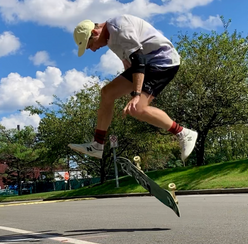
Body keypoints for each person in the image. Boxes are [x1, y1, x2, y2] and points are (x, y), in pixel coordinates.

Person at [69, 14, 198, 161]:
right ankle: (98, 144)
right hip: (146, 63)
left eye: (89, 45)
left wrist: (136, 95)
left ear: (94, 32)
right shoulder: (111, 39)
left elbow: (138, 61)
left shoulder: (119, 28)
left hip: (162, 61)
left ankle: (183, 133)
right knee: (107, 93)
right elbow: (129, 66)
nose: (92, 50)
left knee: (137, 109)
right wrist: (128, 94)